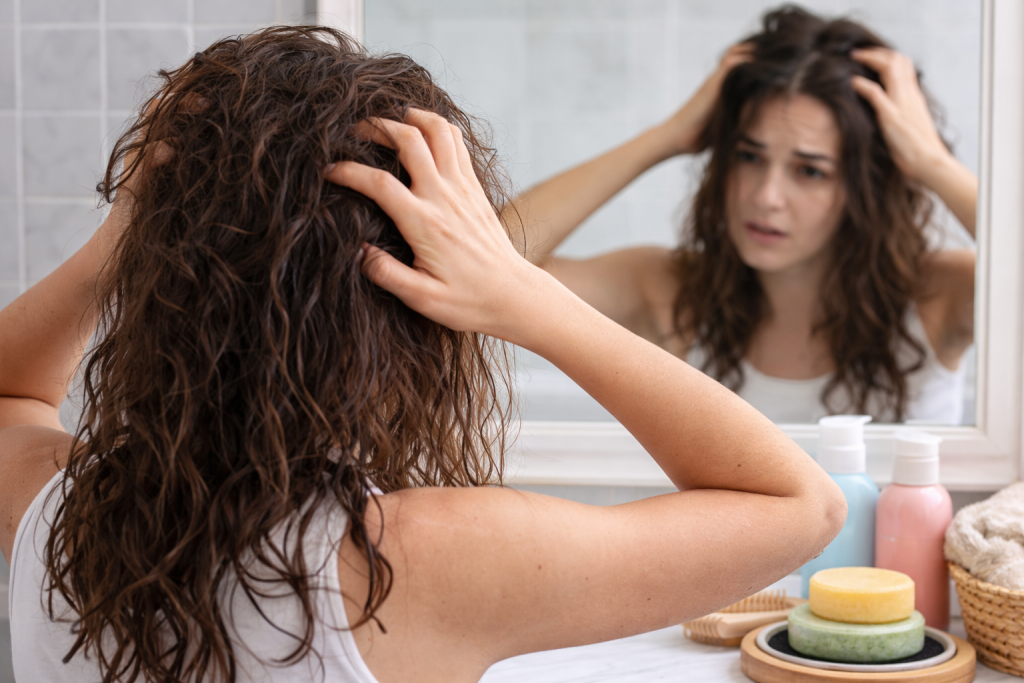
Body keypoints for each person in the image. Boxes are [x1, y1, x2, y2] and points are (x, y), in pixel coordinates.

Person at [0, 26, 844, 683]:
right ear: (394, 323)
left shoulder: (58, 521)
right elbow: (800, 504)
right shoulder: (418, 561)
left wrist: (125, 237)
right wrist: (523, 294)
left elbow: (11, 395)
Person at [507, 6, 978, 424]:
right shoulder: (671, 290)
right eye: (749, 157)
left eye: (810, 171)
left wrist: (931, 162)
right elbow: (482, 260)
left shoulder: (941, 295)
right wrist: (666, 137)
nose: (766, 196)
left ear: (867, 187)